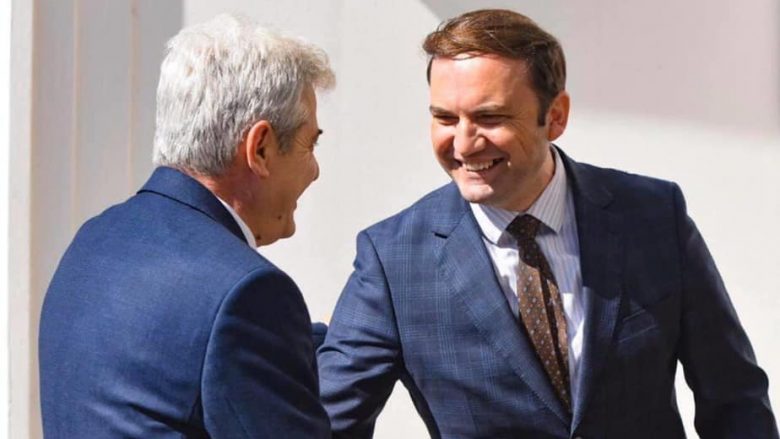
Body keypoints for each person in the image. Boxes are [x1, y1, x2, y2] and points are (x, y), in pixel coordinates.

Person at [317, 9, 777, 438]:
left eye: (489, 117)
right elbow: (328, 423)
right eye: (444, 118)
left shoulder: (653, 218)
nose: (463, 144)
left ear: (555, 117)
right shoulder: (394, 259)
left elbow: (735, 399)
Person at [39, 14, 334, 438]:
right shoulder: (249, 293)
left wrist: (312, 339)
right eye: (311, 143)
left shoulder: (94, 241)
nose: (315, 170)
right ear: (261, 149)